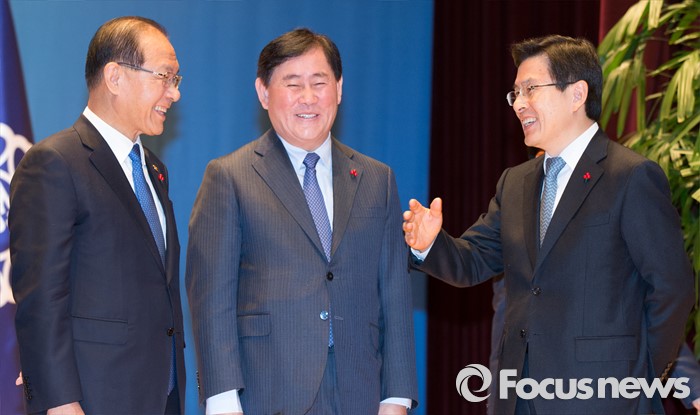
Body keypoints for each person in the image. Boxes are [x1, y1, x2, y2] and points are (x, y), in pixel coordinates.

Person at [402, 34, 694, 414]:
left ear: (577, 94)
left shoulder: (631, 177)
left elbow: (672, 287)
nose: (518, 103)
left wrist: (640, 377)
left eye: (530, 90)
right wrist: (429, 243)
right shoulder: (516, 182)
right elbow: (473, 260)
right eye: (515, 93)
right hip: (519, 396)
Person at [186, 28, 418, 415]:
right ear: (263, 93)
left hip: (359, 391)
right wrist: (223, 401)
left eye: (319, 83)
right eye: (292, 84)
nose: (308, 98)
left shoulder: (377, 179)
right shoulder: (230, 177)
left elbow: (394, 293)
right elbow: (211, 299)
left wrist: (395, 398)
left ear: (339, 89)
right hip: (266, 392)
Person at [10, 16, 185, 415]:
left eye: (176, 80)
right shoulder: (55, 162)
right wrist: (59, 401)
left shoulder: (154, 170)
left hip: (162, 395)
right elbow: (41, 297)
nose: (174, 93)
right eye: (164, 76)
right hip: (93, 397)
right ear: (115, 77)